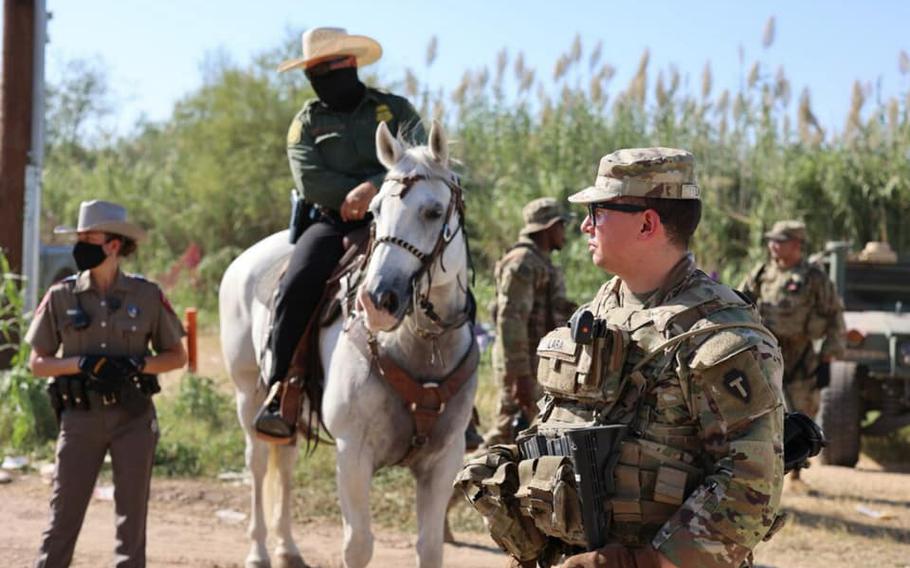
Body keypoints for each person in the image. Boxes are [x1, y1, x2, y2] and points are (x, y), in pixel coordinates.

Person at [456, 148, 786, 568]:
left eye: (599, 210)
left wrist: (646, 563)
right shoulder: (604, 308)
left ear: (647, 223)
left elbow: (751, 484)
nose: (585, 224)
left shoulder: (721, 335)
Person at [254, 27, 426, 442]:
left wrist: (372, 186)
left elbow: (423, 160)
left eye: (325, 69)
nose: (318, 79)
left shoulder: (394, 108)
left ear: (349, 64)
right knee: (297, 283)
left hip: (398, 218)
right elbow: (309, 178)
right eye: (311, 72)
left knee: (442, 273)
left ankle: (460, 401)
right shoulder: (306, 123)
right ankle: (282, 389)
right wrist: (349, 197)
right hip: (332, 222)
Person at [26, 200, 187, 567]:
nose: (80, 244)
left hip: (134, 419)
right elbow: (38, 364)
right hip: (80, 421)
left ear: (113, 245)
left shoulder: (147, 296)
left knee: (131, 527)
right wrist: (78, 363)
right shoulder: (60, 295)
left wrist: (137, 363)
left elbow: (177, 356)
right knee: (62, 519)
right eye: (79, 236)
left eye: (89, 237)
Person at [739, 219, 845, 488]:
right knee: (762, 411)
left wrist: (828, 358)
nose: (773, 245)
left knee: (802, 412)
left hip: (801, 357)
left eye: (780, 240)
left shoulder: (814, 277)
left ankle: (795, 472)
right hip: (765, 352)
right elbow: (740, 303)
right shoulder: (762, 273)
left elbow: (834, 316)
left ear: (797, 244)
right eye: (771, 240)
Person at [482, 197, 577, 447]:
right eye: (562, 225)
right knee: (506, 433)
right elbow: (510, 320)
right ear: (549, 227)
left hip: (535, 362)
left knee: (527, 433)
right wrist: (520, 376)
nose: (564, 232)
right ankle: (468, 481)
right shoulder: (523, 262)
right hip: (521, 365)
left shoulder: (540, 262)